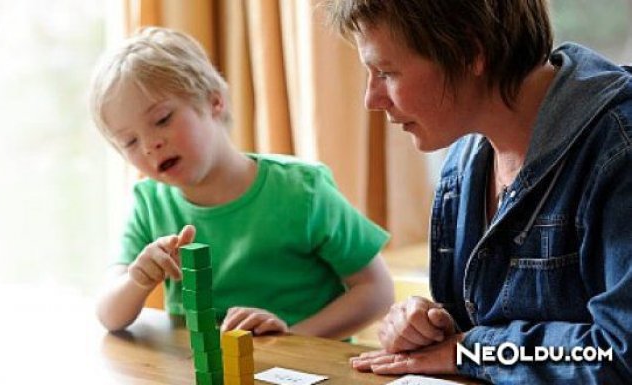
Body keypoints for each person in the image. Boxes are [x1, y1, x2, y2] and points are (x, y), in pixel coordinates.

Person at [326, 0, 632, 383]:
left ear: (469, 53)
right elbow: (469, 336)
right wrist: (421, 326)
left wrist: (472, 348)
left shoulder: (620, 151)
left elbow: (622, 354)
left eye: (386, 72)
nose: (372, 99)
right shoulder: (465, 159)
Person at [88, 27, 394, 339]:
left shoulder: (302, 190)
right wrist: (138, 279)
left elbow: (377, 291)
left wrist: (291, 337)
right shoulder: (150, 203)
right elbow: (109, 315)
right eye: (129, 141)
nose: (150, 144)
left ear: (214, 101)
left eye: (163, 119)